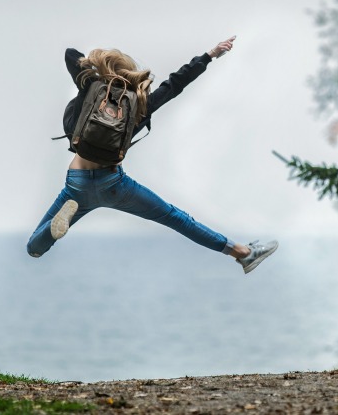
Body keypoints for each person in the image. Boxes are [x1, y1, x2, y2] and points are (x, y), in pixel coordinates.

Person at [26, 36, 278, 274]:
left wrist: (97, 69)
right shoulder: (139, 104)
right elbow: (175, 84)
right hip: (113, 184)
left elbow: (71, 54)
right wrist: (209, 55)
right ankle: (242, 253)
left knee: (34, 248)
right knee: (176, 218)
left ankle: (54, 229)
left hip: (77, 183)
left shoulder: (90, 87)